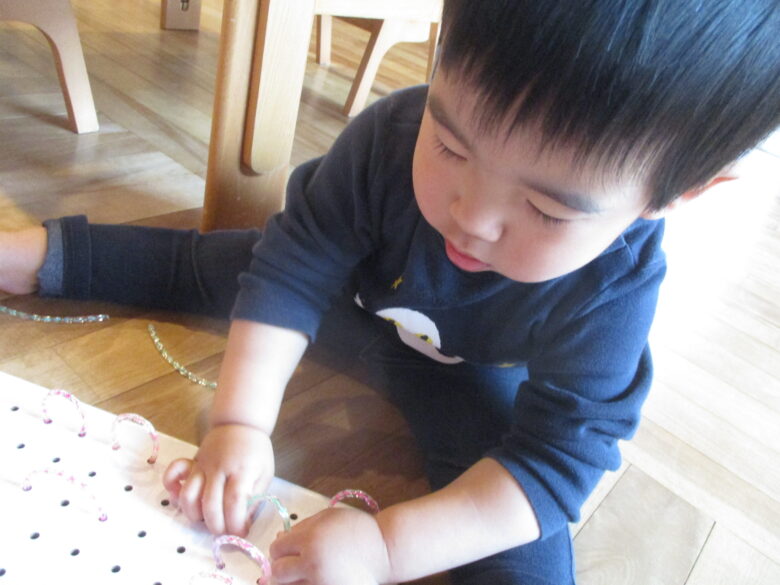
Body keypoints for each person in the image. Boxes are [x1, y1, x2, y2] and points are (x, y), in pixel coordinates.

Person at [1, 1, 778, 583]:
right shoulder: (385, 136)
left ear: (678, 194)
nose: (471, 217)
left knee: (523, 542)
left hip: (463, 379)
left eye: (546, 209)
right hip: (339, 296)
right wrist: (240, 421)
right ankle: (38, 255)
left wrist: (387, 545)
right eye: (450, 145)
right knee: (210, 262)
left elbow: (553, 462)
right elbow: (290, 269)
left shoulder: (614, 291)